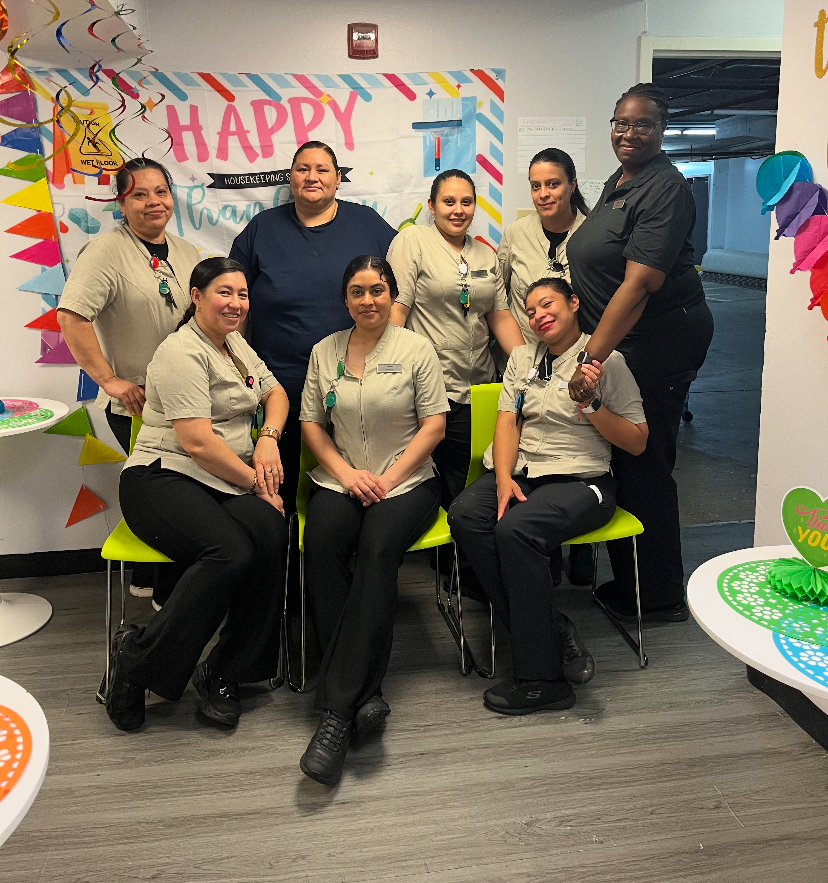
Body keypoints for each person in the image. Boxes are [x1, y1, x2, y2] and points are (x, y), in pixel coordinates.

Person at [103, 258, 290, 733]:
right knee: (229, 552)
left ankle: (226, 671)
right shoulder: (180, 352)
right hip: (161, 476)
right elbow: (198, 444)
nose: (235, 303)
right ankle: (135, 662)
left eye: (242, 294)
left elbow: (277, 393)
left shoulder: (235, 347)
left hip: (220, 476)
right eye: (224, 293)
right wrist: (255, 483)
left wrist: (267, 437)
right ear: (197, 296)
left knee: (270, 532)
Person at [448, 278, 647, 715]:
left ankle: (543, 681)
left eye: (548, 304)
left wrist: (592, 404)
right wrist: (502, 478)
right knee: (465, 515)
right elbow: (507, 422)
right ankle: (552, 628)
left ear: (574, 303)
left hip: (583, 482)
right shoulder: (522, 358)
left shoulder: (604, 361)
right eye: (531, 310)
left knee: (516, 531)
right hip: (524, 474)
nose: (539, 315)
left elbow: (637, 441)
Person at [565, 83, 714, 623]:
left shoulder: (667, 189)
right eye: (620, 123)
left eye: (643, 125)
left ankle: (658, 595)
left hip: (657, 343)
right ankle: (636, 580)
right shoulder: (620, 180)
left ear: (662, 130)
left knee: (646, 463)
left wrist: (590, 358)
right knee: (628, 462)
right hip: (626, 344)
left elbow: (637, 285)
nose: (628, 133)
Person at [298, 255, 449, 786]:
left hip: (406, 482)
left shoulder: (416, 349)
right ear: (345, 299)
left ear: (391, 296)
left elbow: (434, 425)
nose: (368, 300)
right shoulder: (325, 351)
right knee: (321, 545)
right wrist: (345, 474)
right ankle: (368, 693)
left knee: (379, 551)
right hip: (341, 478)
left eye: (378, 290)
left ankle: (336, 711)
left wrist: (386, 478)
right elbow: (312, 425)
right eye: (358, 291)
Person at [229, 141, 397, 515]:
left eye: (322, 169)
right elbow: (232, 301)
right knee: (278, 485)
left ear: (338, 180)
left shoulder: (366, 222)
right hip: (278, 385)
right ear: (290, 178)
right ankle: (284, 563)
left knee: (357, 480)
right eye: (303, 169)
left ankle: (356, 557)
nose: (312, 177)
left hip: (356, 380)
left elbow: (402, 286)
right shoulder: (263, 228)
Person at [58, 157, 200, 601]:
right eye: (139, 194)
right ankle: (168, 592)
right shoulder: (105, 252)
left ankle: (144, 574)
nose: (153, 202)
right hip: (138, 405)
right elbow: (71, 315)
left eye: (161, 192)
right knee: (174, 493)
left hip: (186, 398)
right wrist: (109, 380)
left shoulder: (186, 251)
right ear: (122, 203)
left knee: (168, 490)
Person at [387, 169, 525, 512]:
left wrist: (527, 363)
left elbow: (499, 315)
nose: (458, 210)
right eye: (448, 202)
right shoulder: (412, 241)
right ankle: (440, 550)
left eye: (466, 202)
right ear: (431, 206)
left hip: (476, 383)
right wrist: (389, 373)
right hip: (427, 386)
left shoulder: (484, 255)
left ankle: (462, 549)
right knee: (427, 475)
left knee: (465, 473)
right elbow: (395, 312)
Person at [498, 147, 593, 586]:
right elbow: (502, 299)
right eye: (535, 186)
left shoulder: (595, 233)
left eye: (552, 184)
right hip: (529, 356)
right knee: (533, 443)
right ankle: (544, 563)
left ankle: (581, 546)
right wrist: (525, 356)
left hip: (581, 357)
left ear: (572, 184)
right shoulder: (516, 234)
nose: (543, 193)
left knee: (575, 445)